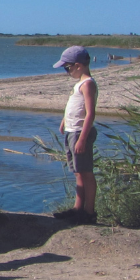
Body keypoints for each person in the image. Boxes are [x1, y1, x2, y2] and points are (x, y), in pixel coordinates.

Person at [53, 46, 98, 224]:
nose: (67, 72)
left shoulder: (88, 84)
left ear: (78, 66)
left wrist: (82, 138)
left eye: (67, 68)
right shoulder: (79, 83)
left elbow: (90, 113)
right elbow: (73, 107)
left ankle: (89, 212)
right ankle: (77, 208)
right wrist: (64, 120)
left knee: (86, 172)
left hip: (80, 133)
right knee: (78, 171)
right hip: (72, 131)